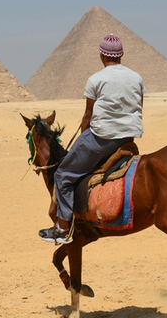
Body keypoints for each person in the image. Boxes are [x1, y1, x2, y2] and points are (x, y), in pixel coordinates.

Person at [39, 34, 146, 244]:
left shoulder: (96, 79)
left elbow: (88, 115)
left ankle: (61, 229)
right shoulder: (136, 78)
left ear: (101, 54)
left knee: (63, 174)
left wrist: (83, 140)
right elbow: (138, 107)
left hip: (102, 137)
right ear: (121, 54)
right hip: (128, 136)